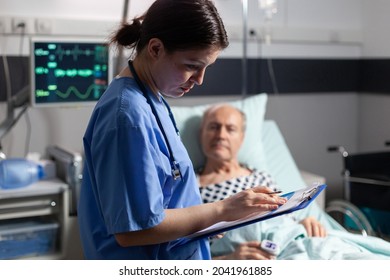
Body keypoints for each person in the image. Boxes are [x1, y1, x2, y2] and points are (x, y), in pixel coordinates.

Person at [77, 0, 286, 260]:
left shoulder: (153, 98)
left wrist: (206, 222)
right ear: (155, 48)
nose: (200, 80)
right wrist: (222, 210)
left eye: (206, 68)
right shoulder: (127, 116)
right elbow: (133, 231)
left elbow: (167, 199)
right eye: (191, 66)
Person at [197, 104, 390, 260]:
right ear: (201, 133)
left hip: (301, 241)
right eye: (213, 127)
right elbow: (186, 254)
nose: (221, 135)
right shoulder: (193, 187)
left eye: (230, 129)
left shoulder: (261, 176)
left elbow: (283, 216)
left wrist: (305, 221)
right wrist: (229, 260)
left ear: (242, 138)